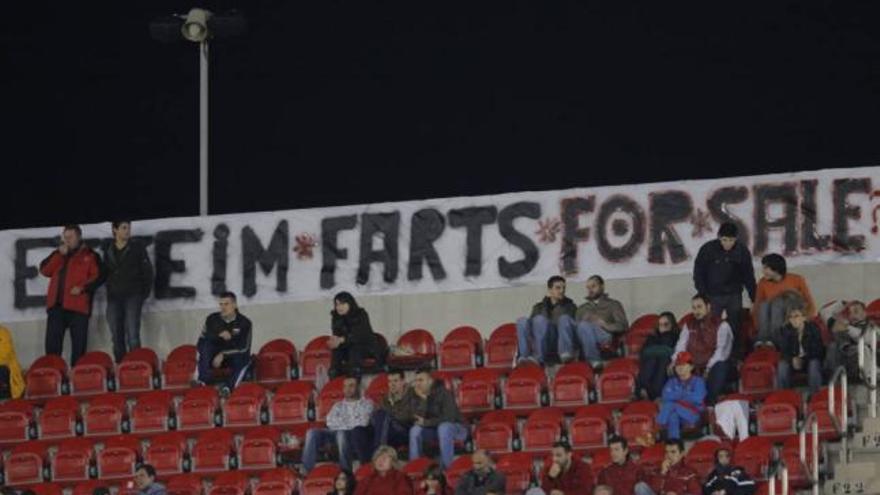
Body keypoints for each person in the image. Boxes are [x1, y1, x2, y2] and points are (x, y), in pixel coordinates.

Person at [39, 224, 103, 365]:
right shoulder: (58, 254)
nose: (67, 240)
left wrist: (83, 288)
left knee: (79, 349)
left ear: (79, 237)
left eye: (70, 237)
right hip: (56, 307)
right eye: (65, 237)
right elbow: (44, 270)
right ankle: (54, 377)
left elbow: (98, 276)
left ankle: (76, 380)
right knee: (52, 347)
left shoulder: (90, 255)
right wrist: (58, 255)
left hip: (78, 308)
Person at [692, 222, 757, 340]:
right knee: (711, 326)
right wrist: (703, 295)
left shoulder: (742, 251)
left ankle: (735, 355)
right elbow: (698, 273)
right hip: (712, 294)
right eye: (724, 240)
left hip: (734, 294)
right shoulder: (707, 249)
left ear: (736, 238)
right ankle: (711, 353)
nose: (727, 244)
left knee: (735, 327)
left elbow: (748, 276)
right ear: (719, 237)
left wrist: (754, 298)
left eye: (731, 240)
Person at [103, 220, 154, 362]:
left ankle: (136, 366)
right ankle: (121, 365)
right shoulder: (108, 248)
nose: (127, 231)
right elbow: (104, 272)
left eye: (128, 228)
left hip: (133, 295)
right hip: (113, 297)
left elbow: (148, 271)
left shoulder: (137, 247)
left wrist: (143, 293)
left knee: (133, 334)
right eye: (124, 228)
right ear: (115, 230)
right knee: (116, 334)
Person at [671, 294, 733, 404]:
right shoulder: (689, 325)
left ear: (708, 307)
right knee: (677, 365)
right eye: (694, 308)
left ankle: (709, 403)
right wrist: (675, 360)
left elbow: (722, 352)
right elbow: (681, 346)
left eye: (699, 307)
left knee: (721, 366)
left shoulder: (722, 325)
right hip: (694, 365)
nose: (696, 311)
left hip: (713, 366)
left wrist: (708, 368)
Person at [303, 376, 373, 472]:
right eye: (345, 386)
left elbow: (363, 422)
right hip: (334, 433)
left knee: (341, 433)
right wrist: (347, 423)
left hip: (354, 436)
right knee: (311, 432)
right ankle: (308, 471)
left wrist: (341, 422)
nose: (347, 389)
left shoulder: (367, 404)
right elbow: (330, 422)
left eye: (351, 386)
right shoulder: (338, 405)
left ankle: (346, 471)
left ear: (358, 387)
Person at [753, 253, 816, 347]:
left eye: (766, 268)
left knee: (777, 304)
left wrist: (806, 318)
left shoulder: (797, 279)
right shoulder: (763, 282)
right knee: (764, 305)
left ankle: (777, 341)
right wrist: (757, 326)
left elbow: (809, 300)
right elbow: (757, 305)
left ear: (776, 269)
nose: (763, 271)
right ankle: (763, 339)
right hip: (771, 318)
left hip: (790, 315)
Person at [410, 369, 469, 468]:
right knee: (415, 430)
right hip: (435, 430)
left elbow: (449, 418)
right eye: (416, 381)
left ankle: (447, 468)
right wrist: (424, 400)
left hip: (457, 429)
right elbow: (418, 419)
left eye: (421, 380)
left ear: (430, 381)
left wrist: (426, 422)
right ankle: (415, 467)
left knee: (444, 427)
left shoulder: (444, 393)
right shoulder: (417, 396)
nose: (417, 384)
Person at [566, 275, 629, 366]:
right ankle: (566, 354)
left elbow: (623, 326)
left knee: (584, 325)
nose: (590, 290)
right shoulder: (582, 308)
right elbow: (576, 329)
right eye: (588, 287)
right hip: (583, 334)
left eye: (593, 286)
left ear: (602, 286)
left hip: (604, 334)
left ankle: (593, 360)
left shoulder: (613, 304)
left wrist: (604, 324)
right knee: (566, 319)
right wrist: (582, 323)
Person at [196, 291, 253, 392]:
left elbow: (244, 348)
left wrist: (223, 354)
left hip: (233, 356)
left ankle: (228, 388)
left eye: (226, 304)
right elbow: (200, 343)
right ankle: (203, 382)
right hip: (213, 358)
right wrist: (218, 334)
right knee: (205, 346)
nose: (223, 307)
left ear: (234, 305)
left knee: (244, 359)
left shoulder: (244, 322)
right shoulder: (212, 319)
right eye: (221, 304)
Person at [516, 276, 577, 364]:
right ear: (550, 290)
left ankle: (538, 357)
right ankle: (523, 356)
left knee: (540, 320)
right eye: (558, 288)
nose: (562, 291)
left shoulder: (570, 306)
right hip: (538, 339)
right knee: (521, 321)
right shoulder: (538, 307)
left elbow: (570, 329)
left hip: (556, 340)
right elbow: (530, 328)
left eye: (564, 288)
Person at [329, 292, 386, 377]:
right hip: (348, 347)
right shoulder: (336, 317)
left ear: (350, 303)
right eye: (336, 304)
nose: (339, 307)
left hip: (366, 347)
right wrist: (335, 341)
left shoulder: (361, 314)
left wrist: (342, 339)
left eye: (342, 304)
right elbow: (336, 334)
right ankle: (334, 374)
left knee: (355, 348)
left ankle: (354, 376)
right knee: (336, 350)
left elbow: (360, 336)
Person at [657, 352, 706, 441]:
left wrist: (676, 395)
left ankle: (656, 429)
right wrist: (685, 394)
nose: (680, 368)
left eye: (683, 365)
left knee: (670, 405)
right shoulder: (672, 381)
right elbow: (665, 396)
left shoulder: (698, 381)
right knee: (673, 417)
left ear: (691, 367)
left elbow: (697, 399)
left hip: (693, 414)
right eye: (678, 365)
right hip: (676, 413)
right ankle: (675, 444)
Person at [823, 301, 876, 380]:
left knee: (864, 349)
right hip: (841, 363)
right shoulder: (840, 325)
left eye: (856, 311)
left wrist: (847, 327)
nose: (852, 315)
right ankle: (832, 377)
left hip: (858, 366)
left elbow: (866, 339)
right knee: (832, 346)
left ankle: (868, 377)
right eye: (850, 313)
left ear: (864, 313)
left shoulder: (872, 327)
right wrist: (842, 303)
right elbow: (824, 313)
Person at [776, 307, 824, 393]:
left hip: (809, 359)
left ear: (804, 318)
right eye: (791, 317)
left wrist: (803, 359)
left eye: (796, 316)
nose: (793, 319)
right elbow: (783, 351)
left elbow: (818, 350)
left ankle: (815, 396)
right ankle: (785, 395)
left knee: (814, 364)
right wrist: (792, 359)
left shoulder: (813, 329)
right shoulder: (785, 330)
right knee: (782, 366)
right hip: (793, 362)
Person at [370, 369, 418, 451]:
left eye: (395, 381)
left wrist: (391, 415)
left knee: (384, 416)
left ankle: (379, 452)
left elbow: (409, 417)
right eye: (390, 381)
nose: (392, 384)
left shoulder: (412, 394)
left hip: (406, 430)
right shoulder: (386, 397)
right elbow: (377, 417)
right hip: (390, 430)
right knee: (360, 429)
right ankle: (368, 460)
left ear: (403, 381)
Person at [637, 312, 680, 400]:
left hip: (667, 366)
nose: (663, 327)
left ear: (672, 325)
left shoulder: (677, 337)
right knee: (652, 359)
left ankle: (647, 391)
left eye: (666, 324)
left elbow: (674, 352)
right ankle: (646, 390)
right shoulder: (652, 338)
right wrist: (665, 350)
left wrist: (660, 350)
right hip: (651, 366)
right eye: (660, 324)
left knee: (663, 359)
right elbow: (644, 353)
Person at [634, 440, 701, 495]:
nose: (669, 455)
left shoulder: (689, 472)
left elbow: (696, 493)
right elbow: (655, 490)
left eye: (673, 452)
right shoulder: (658, 470)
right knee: (640, 486)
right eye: (667, 452)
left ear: (682, 454)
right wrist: (662, 473)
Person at [0, 325, 25, 399]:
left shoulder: (3, 333)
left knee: (2, 370)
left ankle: (4, 401)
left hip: (6, 372)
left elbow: (4, 356)